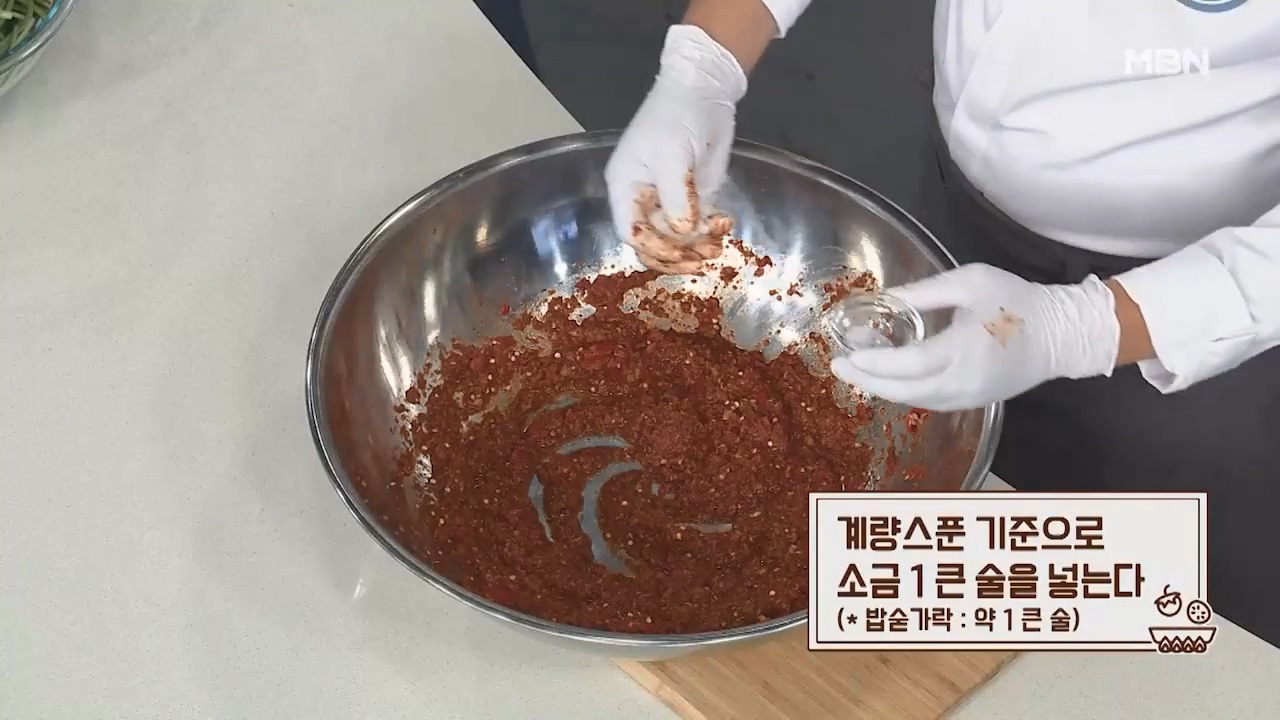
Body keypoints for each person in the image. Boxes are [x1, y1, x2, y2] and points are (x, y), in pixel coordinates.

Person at [604, 0, 1280, 647]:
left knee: (1142, 581)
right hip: (967, 198)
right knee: (961, 518)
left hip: (1198, 288)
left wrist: (1087, 328)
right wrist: (706, 61)